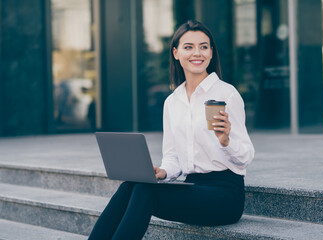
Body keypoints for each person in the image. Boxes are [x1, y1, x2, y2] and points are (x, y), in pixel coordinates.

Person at [88, 19, 255, 240]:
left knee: (144, 191)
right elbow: (173, 155)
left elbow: (246, 156)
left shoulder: (227, 94)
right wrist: (163, 172)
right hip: (193, 188)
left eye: (203, 47)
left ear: (211, 53)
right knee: (132, 185)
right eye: (189, 47)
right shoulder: (172, 101)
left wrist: (226, 141)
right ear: (176, 53)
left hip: (225, 194)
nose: (197, 53)